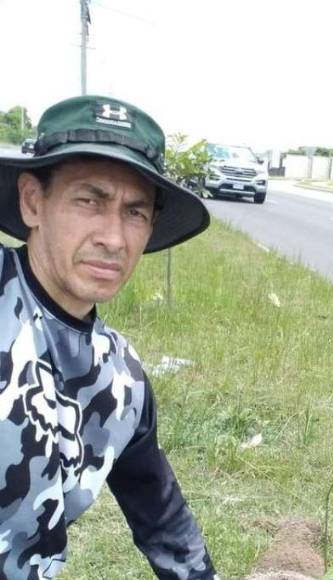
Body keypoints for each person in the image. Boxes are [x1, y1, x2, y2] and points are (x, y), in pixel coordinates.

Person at [0, 95, 217, 579]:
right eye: (89, 201)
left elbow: (163, 520)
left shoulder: (120, 383)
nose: (114, 238)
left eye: (134, 213)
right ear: (33, 201)